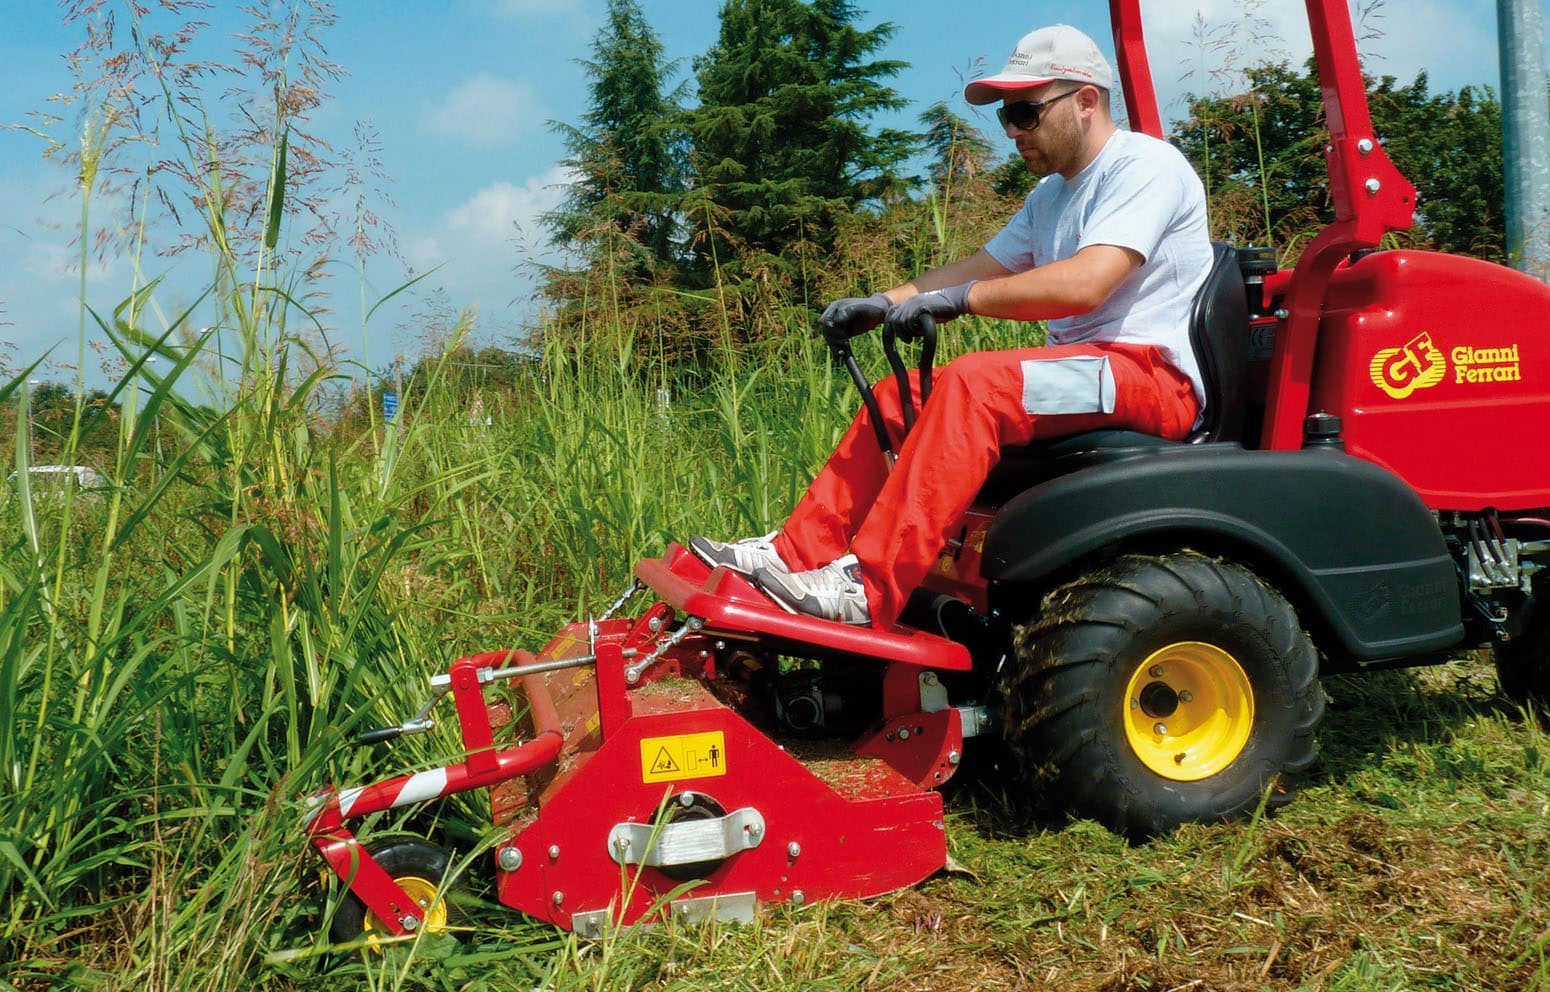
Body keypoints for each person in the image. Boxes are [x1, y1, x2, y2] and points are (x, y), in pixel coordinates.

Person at [691, 24, 1212, 627]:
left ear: (1086, 100)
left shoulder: (1146, 167)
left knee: (974, 383)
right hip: (1088, 374)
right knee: (897, 396)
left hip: (1149, 377)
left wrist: (962, 301)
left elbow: (1084, 282)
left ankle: (869, 587)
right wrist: (883, 302)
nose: (1014, 132)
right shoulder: (1049, 197)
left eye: (1025, 113)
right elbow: (983, 265)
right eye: (1006, 118)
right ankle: (792, 554)